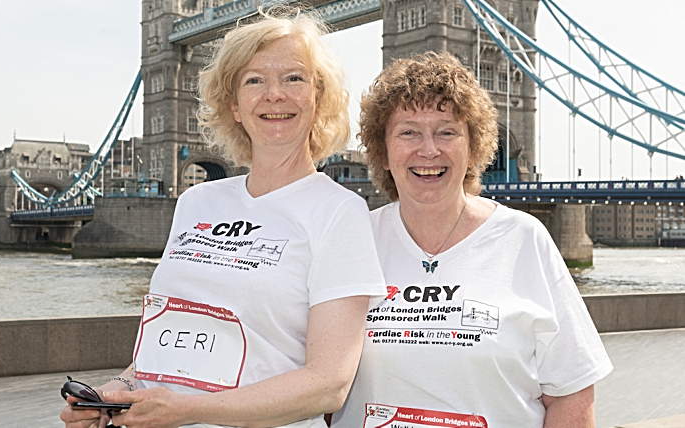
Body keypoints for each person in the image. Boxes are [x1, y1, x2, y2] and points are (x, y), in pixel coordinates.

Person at [61, 9, 386, 428]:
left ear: (318, 97)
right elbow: (167, 346)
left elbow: (328, 385)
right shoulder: (196, 203)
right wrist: (117, 392)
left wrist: (188, 410)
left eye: (294, 78)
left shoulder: (339, 212)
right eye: (254, 80)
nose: (274, 94)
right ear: (233, 105)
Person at [331, 52, 613, 428]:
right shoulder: (352, 241)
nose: (428, 149)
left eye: (447, 132)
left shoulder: (524, 240)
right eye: (408, 132)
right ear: (383, 152)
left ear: (472, 147)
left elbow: (572, 393)